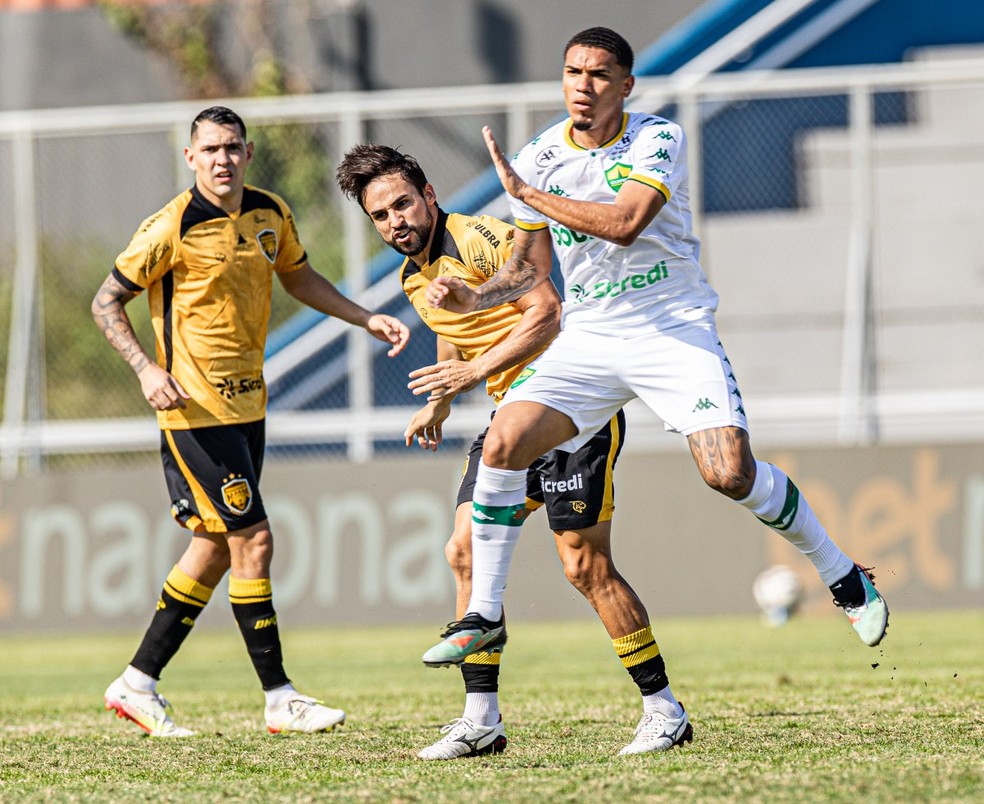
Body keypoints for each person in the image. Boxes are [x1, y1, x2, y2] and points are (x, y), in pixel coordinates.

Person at [423, 27, 890, 755]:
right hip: (590, 339)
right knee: (504, 443)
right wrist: (474, 298)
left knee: (728, 474)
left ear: (626, 85)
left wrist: (529, 193)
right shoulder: (541, 154)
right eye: (573, 71)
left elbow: (627, 221)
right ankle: (481, 613)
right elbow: (527, 269)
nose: (583, 85)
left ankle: (842, 575)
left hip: (672, 330)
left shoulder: (655, 139)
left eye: (600, 74)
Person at [335, 144, 670, 760]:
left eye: (402, 204)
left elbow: (547, 314)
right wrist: (441, 398)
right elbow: (453, 333)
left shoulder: (482, 239)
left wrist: (472, 375)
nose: (395, 221)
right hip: (506, 424)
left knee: (584, 569)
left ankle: (662, 708)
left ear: (429, 195)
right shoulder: (413, 274)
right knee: (462, 550)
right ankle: (480, 718)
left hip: (570, 411)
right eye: (379, 215)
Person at [91, 106, 409, 738]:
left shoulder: (270, 212)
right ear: (190, 157)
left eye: (232, 147)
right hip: (194, 411)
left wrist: (363, 316)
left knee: (213, 546)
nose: (222, 159)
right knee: (254, 540)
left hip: (248, 406)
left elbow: (298, 277)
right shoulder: (170, 226)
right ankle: (279, 697)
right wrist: (146, 370)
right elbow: (106, 301)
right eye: (209, 149)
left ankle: (136, 683)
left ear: (250, 151)